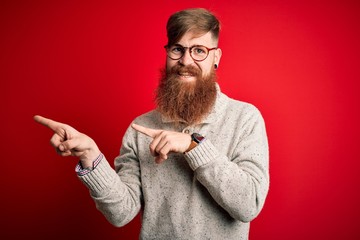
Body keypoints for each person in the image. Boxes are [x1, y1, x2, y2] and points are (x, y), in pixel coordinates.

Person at [34, 8, 269, 240]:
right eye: (177, 49)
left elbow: (248, 205)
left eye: (199, 50)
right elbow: (121, 212)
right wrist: (90, 156)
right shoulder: (141, 128)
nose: (186, 61)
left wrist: (193, 145)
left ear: (216, 57)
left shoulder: (245, 119)